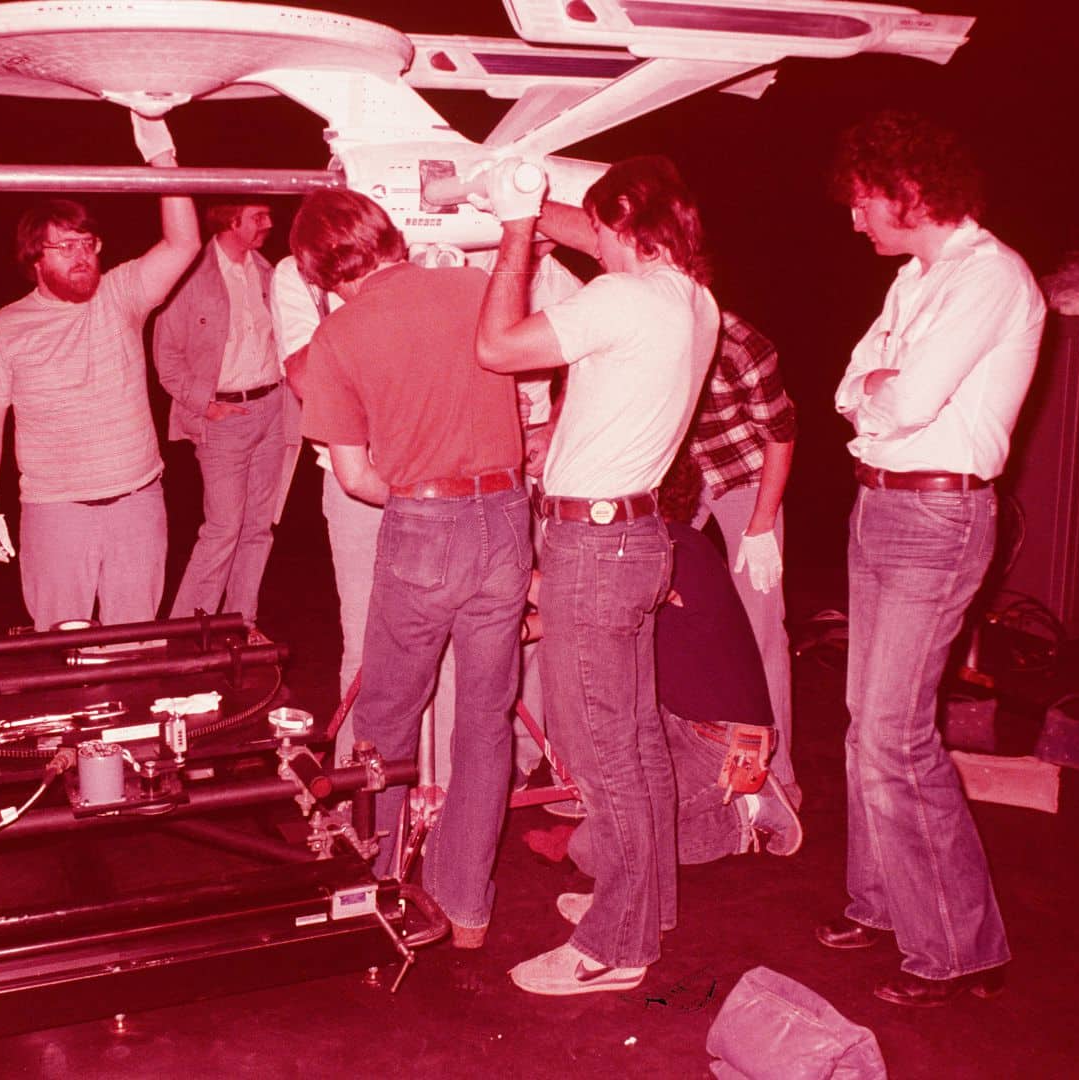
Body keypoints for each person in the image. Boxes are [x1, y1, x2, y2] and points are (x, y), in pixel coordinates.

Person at [475, 155, 719, 995]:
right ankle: (642, 904)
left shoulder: (618, 298)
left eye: (599, 225)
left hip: (594, 550)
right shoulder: (687, 295)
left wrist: (514, 230)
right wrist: (538, 204)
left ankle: (616, 950)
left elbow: (497, 348)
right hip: (636, 534)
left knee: (602, 753)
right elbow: (606, 236)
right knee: (637, 743)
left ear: (621, 225)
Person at [820, 110, 1044, 1007]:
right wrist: (872, 392)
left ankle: (960, 949)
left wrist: (874, 391)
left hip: (935, 518)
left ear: (909, 192)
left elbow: (903, 401)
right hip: (878, 503)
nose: (853, 218)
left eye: (864, 201)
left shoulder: (989, 276)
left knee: (892, 733)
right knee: (861, 723)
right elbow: (847, 383)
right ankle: (882, 903)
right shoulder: (920, 276)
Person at [292, 189, 531, 950]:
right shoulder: (474, 289)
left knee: (386, 721)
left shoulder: (336, 336)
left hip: (422, 523)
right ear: (389, 236)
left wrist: (417, 492)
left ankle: (380, 889)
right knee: (485, 721)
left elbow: (356, 478)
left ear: (315, 268)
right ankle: (466, 907)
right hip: (506, 517)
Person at [0, 116, 200, 630]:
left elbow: (183, 244)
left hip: (138, 502)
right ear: (34, 260)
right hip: (55, 511)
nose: (81, 255)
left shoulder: (122, 295)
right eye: (64, 246)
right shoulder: (7, 326)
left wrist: (163, 156)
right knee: (58, 648)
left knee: (133, 645)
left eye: (87, 243)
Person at [558, 451, 802, 876]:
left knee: (595, 847)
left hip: (724, 746)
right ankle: (741, 810)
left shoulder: (676, 552)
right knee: (610, 810)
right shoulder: (670, 549)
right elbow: (584, 606)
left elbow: (592, 599)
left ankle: (741, 817)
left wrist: (515, 578)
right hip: (682, 729)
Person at [155, 202, 297, 627]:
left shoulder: (270, 273)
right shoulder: (189, 278)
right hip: (225, 418)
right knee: (222, 528)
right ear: (230, 220)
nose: (269, 224)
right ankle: (188, 630)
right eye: (258, 216)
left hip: (274, 409)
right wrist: (203, 404)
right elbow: (166, 356)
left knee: (258, 527)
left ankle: (241, 624)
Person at [687, 310, 800, 801]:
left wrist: (762, 524)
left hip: (747, 479)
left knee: (760, 627)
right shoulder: (644, 318)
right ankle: (685, 762)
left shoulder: (740, 343)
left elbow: (780, 433)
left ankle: (777, 779)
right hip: (676, 480)